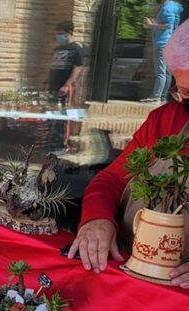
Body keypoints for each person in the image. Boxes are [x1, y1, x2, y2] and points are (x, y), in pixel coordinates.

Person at [68, 21, 189, 287]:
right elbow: (110, 181)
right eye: (186, 93)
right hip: (132, 274)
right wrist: (98, 219)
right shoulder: (165, 122)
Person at [48, 21, 85, 151]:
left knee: (62, 116)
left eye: (61, 34)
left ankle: (61, 144)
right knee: (51, 115)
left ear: (69, 32)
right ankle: (52, 143)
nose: (58, 36)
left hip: (64, 87)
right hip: (53, 86)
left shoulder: (76, 49)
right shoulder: (58, 49)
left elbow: (77, 68)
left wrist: (66, 85)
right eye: (57, 34)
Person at [142, 0, 184, 103]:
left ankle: (156, 96)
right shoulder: (174, 7)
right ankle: (163, 97)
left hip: (161, 43)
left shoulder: (166, 8)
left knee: (160, 72)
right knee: (166, 72)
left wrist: (151, 25)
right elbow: (172, 27)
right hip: (168, 43)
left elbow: (167, 26)